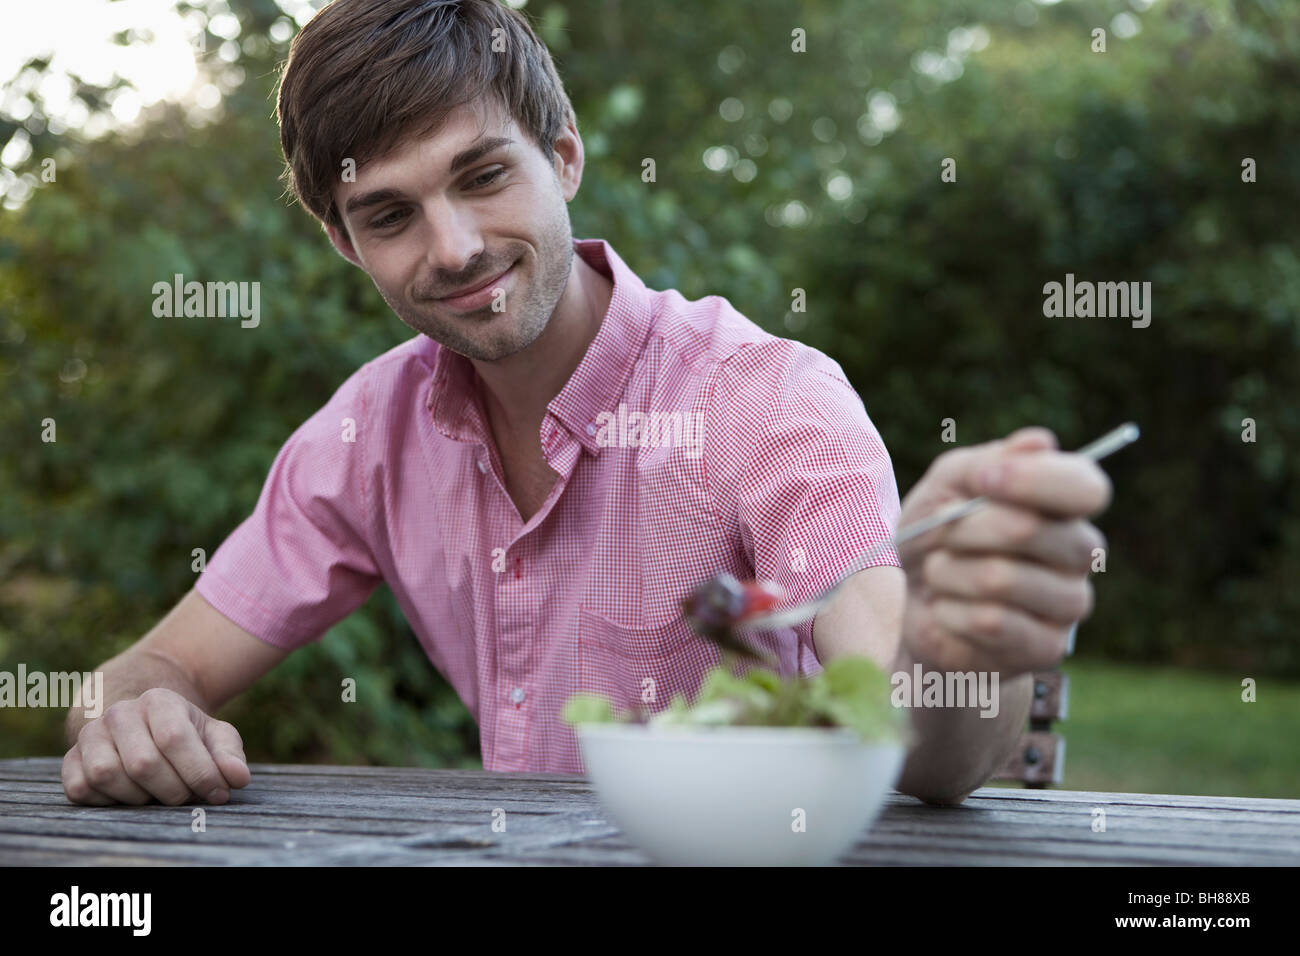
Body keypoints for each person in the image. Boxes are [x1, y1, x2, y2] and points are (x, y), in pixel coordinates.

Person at [62, 0, 1110, 808]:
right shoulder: (366, 435)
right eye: (391, 215)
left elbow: (915, 733)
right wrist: (129, 712)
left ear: (563, 156)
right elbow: (147, 669)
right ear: (345, 242)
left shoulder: (766, 400)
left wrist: (955, 645)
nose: (456, 246)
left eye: (482, 175)